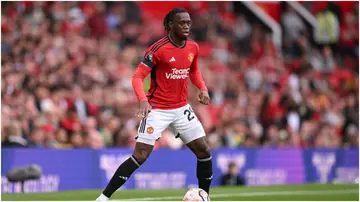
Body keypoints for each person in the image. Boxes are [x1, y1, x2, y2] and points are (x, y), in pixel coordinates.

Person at [96, 8, 212, 201]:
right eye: (182, 23)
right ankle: (103, 197)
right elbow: (137, 77)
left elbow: (194, 71)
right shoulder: (157, 50)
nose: (186, 26)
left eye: (188, 22)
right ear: (170, 26)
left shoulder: (193, 48)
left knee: (204, 150)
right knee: (140, 155)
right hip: (158, 109)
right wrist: (143, 100)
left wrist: (202, 88)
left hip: (182, 108)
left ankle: (205, 196)